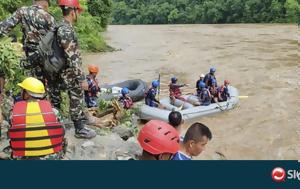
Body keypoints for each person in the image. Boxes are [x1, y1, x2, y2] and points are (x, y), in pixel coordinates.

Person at [47, 0, 96, 139]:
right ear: (72, 11)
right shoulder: (66, 30)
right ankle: (79, 129)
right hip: (67, 72)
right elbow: (72, 57)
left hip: (57, 70)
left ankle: (55, 129)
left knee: (55, 99)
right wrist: (82, 79)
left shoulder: (59, 26)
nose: (77, 15)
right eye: (77, 11)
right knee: (77, 97)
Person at [8, 77, 65, 160]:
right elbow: (62, 132)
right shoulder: (54, 111)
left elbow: (11, 135)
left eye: (22, 90)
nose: (20, 93)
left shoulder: (14, 113)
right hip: (51, 157)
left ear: (27, 93)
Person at [0, 0, 55, 81]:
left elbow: (4, 27)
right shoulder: (50, 18)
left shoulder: (23, 11)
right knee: (41, 87)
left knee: (29, 85)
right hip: (45, 60)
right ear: (45, 3)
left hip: (29, 58)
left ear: (34, 1)